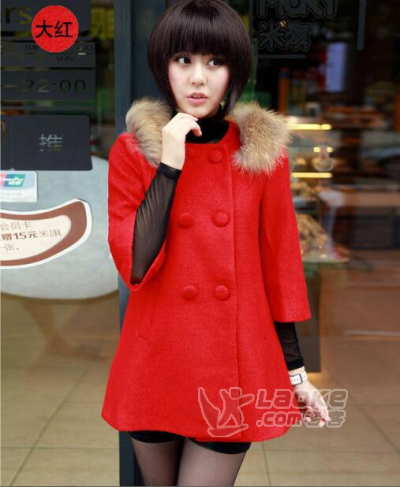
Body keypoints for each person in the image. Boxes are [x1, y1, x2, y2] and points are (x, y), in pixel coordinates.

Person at [102, 1, 331, 485]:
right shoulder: (133, 152)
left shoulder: (260, 155)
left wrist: (296, 372)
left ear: (235, 72)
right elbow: (136, 264)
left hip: (231, 363)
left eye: (215, 62)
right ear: (163, 67)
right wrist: (169, 163)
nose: (198, 78)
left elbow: (280, 266)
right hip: (157, 359)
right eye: (183, 60)